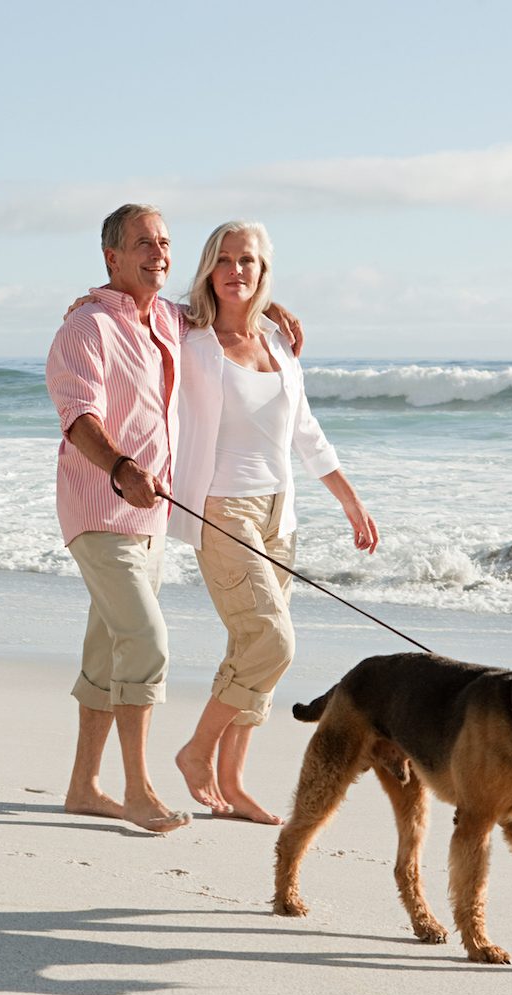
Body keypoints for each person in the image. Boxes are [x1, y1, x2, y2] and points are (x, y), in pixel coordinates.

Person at [168, 221, 378, 825]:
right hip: (220, 505)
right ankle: (196, 752)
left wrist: (348, 498)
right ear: (209, 267)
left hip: (277, 509)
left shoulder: (277, 342)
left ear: (265, 272)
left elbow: (304, 429)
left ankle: (232, 783)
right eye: (226, 260)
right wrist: (89, 299)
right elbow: (137, 306)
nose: (237, 270)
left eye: (250, 262)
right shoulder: (189, 334)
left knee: (250, 645)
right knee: (274, 641)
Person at [44, 203, 193, 833]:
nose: (158, 252)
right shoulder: (88, 327)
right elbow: (79, 418)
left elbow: (221, 312)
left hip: (149, 522)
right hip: (101, 509)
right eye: (142, 244)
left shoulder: (165, 318)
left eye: (163, 242)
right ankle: (138, 790)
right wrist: (122, 468)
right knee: (146, 643)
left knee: (108, 652)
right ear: (112, 256)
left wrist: (273, 310)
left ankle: (83, 787)